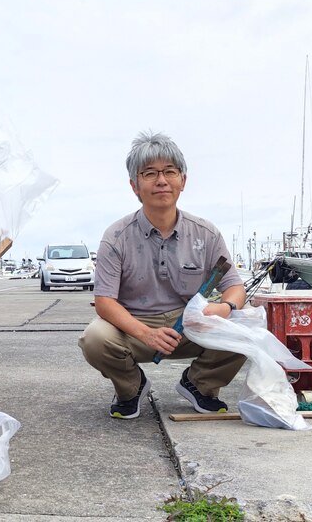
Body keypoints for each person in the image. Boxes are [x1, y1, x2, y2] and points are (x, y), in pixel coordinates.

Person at [78, 131, 247, 419]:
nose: (161, 180)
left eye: (170, 171)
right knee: (94, 339)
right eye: (150, 173)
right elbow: (105, 301)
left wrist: (225, 306)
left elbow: (235, 287)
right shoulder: (116, 237)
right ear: (134, 185)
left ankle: (200, 385)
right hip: (135, 327)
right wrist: (147, 334)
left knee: (248, 330)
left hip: (192, 324)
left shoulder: (206, 233)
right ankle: (131, 388)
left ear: (183, 180)